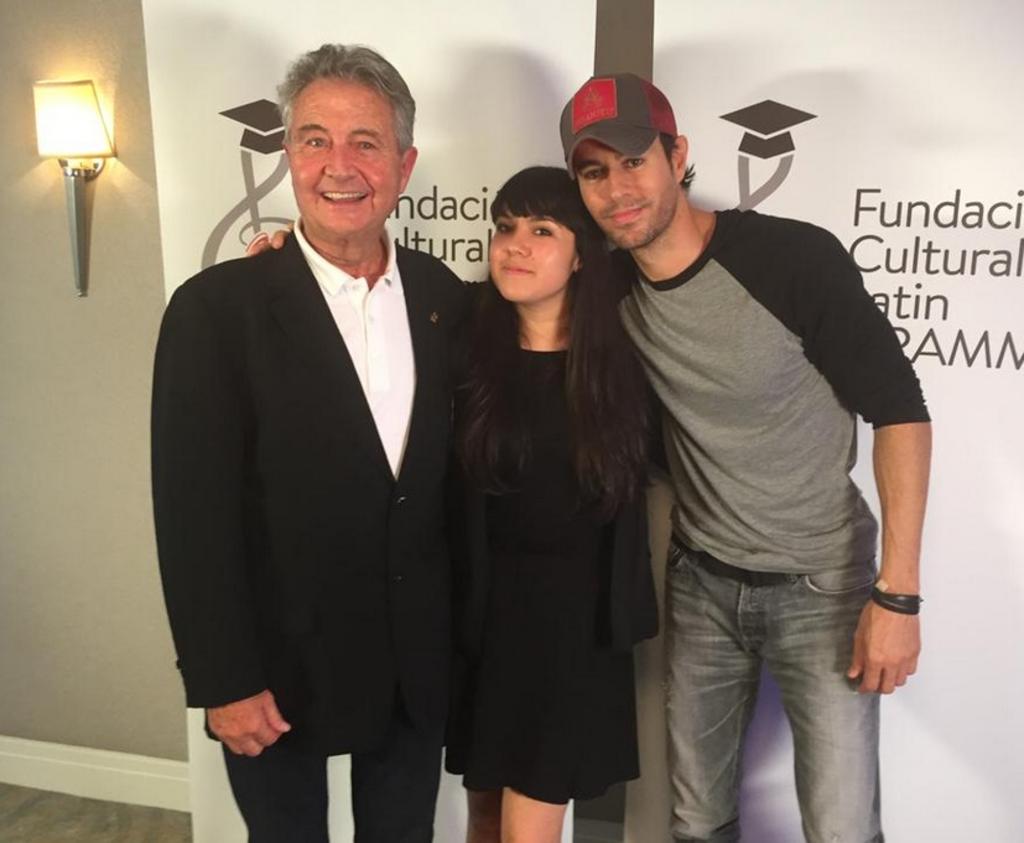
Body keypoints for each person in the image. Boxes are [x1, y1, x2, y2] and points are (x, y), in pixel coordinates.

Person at [559, 74, 932, 843]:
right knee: (698, 821)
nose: (616, 190)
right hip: (701, 581)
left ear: (677, 156)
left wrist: (898, 596)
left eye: (633, 161)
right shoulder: (605, 289)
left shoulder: (792, 258)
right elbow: (514, 309)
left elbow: (900, 411)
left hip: (823, 582)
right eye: (593, 172)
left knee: (841, 827)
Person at [151, 44, 466, 843]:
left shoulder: (444, 298)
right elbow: (192, 515)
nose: (339, 165)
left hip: (413, 670)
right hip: (274, 671)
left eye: (366, 142)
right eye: (315, 139)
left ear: (404, 164)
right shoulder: (215, 310)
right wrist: (223, 678)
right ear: (288, 154)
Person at [443, 166, 657, 843]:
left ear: (581, 255)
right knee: (484, 815)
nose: (515, 245)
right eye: (505, 227)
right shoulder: (462, 339)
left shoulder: (623, 362)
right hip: (481, 623)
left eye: (542, 231)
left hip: (571, 634)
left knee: (528, 828)